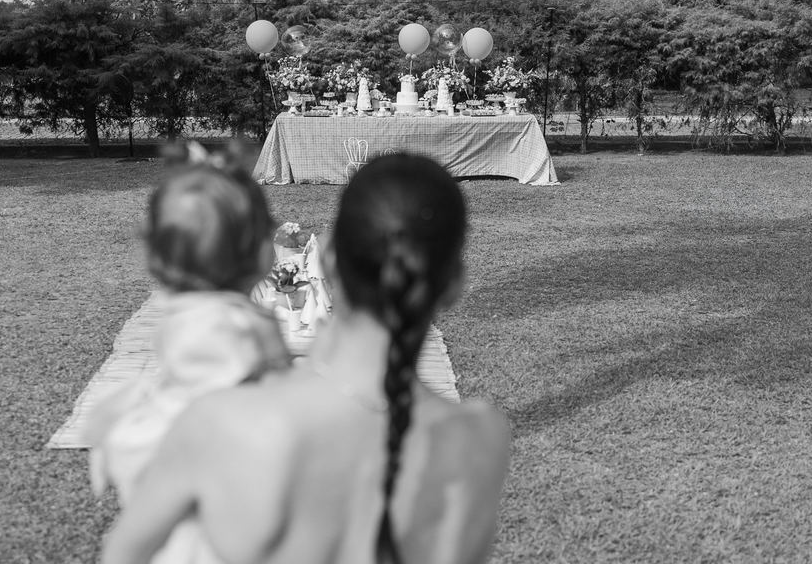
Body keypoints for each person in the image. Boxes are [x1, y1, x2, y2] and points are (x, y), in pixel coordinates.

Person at [101, 153, 511, 564]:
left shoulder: (221, 423)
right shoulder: (484, 440)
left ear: (328, 258)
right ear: (455, 283)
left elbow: (124, 555)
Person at [83, 150, 291, 560]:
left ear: (155, 257)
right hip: (224, 491)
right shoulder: (241, 325)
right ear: (261, 253)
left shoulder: (183, 315)